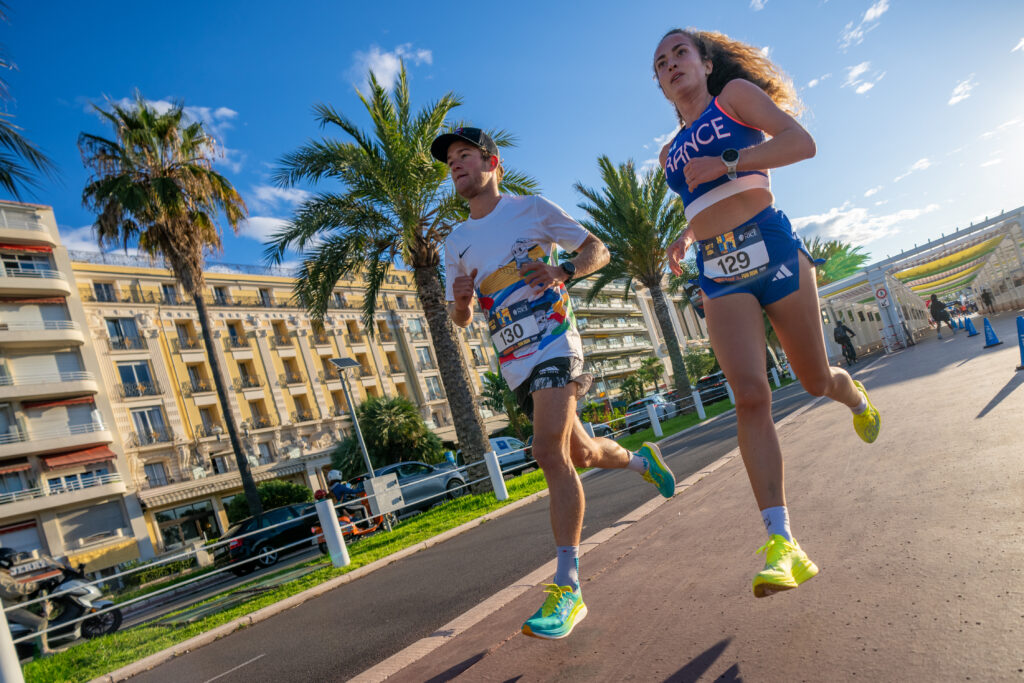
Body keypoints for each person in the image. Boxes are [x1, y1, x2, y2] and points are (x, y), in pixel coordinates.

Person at [655, 29, 881, 598]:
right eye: (661, 63)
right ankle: (783, 542)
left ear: (705, 63)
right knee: (750, 396)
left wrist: (729, 160)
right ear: (660, 85)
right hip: (717, 269)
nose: (671, 64)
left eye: (680, 53)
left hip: (772, 247)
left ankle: (852, 395)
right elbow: (704, 196)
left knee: (813, 379)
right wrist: (686, 235)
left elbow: (801, 143)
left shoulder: (733, 98)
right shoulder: (667, 154)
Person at [434, 127, 677, 639]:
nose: (455, 164)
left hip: (556, 344)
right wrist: (461, 303)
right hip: (515, 363)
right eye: (450, 160)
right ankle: (642, 461)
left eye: (465, 155)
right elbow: (460, 318)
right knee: (580, 453)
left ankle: (568, 587)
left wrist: (563, 270)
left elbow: (597, 249)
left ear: (492, 163)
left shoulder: (531, 209)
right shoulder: (455, 242)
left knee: (546, 451)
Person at [0, 548, 55, 658]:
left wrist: (34, 592)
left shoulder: (4, 574)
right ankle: (45, 651)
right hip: (11, 610)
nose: (14, 561)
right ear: (4, 560)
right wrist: (36, 585)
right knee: (40, 622)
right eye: (12, 558)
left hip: (16, 605)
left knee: (46, 607)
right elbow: (12, 590)